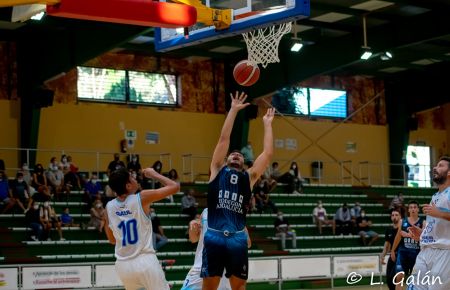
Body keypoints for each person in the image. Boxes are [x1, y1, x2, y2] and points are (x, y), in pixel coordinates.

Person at [201, 91, 274, 290]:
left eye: (239, 155)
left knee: (239, 287)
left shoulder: (248, 178)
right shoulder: (216, 170)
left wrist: (267, 125)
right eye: (232, 154)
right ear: (226, 160)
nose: (235, 156)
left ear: (243, 163)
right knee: (209, 287)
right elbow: (224, 139)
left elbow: (267, 154)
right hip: (215, 235)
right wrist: (233, 110)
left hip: (237, 238)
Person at [104, 167, 179, 290]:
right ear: (128, 186)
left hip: (123, 266)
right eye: (132, 178)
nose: (135, 179)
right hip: (145, 261)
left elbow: (112, 240)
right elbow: (174, 186)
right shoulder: (141, 197)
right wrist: (154, 174)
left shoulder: (108, 207)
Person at [402, 157, 450, 290]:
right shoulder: (435, 196)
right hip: (426, 250)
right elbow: (438, 225)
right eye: (436, 165)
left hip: (444, 253)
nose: (435, 168)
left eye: (440, 166)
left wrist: (439, 213)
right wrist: (423, 234)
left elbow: (439, 216)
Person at [182, 208, 251, 290]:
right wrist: (192, 228)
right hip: (201, 266)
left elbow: (248, 243)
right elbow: (193, 239)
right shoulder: (206, 211)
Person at [390, 200, 424, 289]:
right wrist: (393, 250)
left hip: (416, 254)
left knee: (415, 280)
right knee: (399, 278)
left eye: (415, 207)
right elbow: (398, 236)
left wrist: (411, 236)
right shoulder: (402, 221)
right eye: (411, 207)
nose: (413, 209)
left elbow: (424, 240)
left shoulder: (423, 223)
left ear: (418, 209)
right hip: (403, 254)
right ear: (408, 210)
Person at [380, 208, 401, 290]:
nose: (394, 217)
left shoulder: (403, 229)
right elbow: (386, 245)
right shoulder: (389, 230)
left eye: (396, 215)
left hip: (401, 256)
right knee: (389, 280)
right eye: (392, 215)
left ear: (400, 216)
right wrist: (382, 256)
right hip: (392, 256)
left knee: (395, 278)